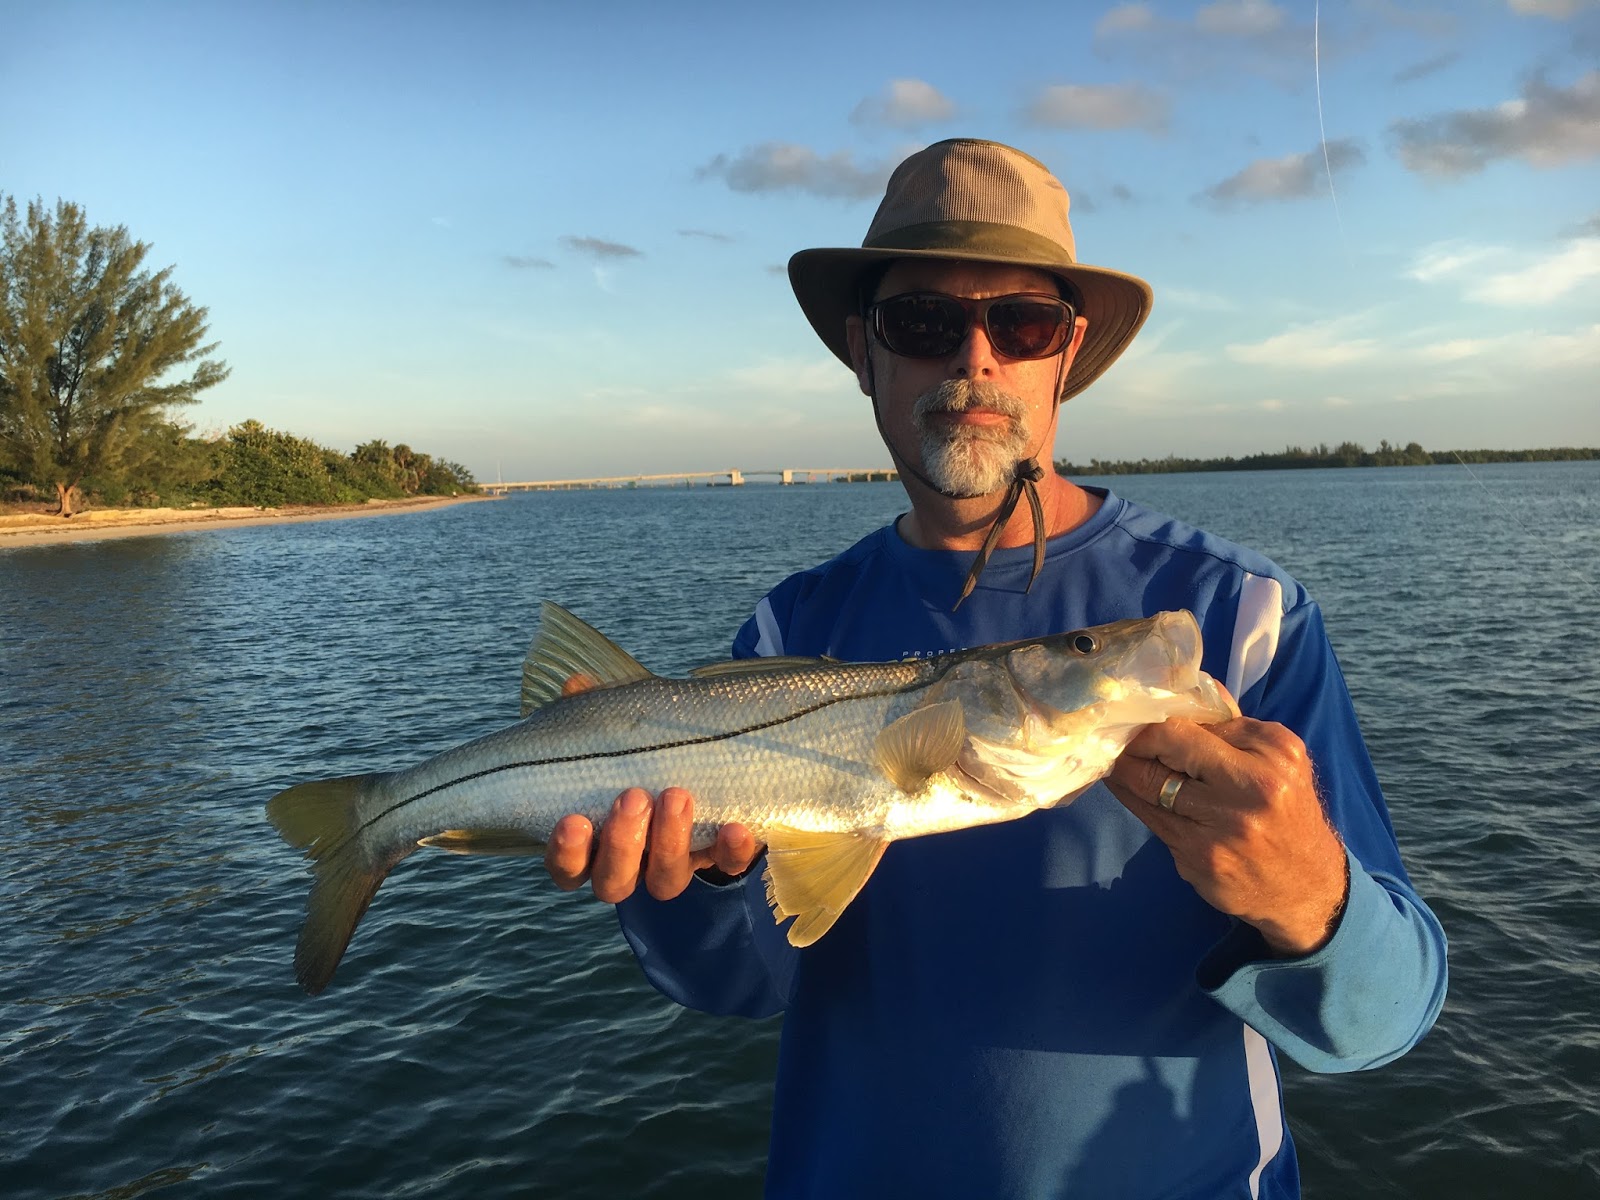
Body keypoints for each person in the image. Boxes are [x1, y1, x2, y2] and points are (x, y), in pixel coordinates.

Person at [543, 139, 1447, 1198]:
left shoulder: (1246, 618)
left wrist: (1309, 895)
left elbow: (1383, 1024)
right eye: (922, 322)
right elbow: (738, 984)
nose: (974, 361)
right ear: (863, 354)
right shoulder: (791, 625)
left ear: (1066, 356)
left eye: (1019, 324)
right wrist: (695, 882)